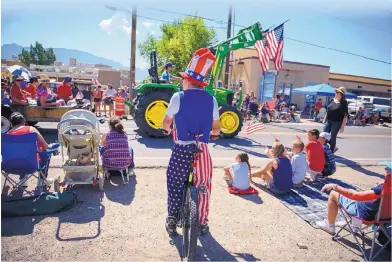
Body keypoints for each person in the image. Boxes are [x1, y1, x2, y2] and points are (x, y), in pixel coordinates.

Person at [162, 48, 220, 236]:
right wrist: (215, 134)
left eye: (184, 79)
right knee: (203, 187)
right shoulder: (212, 100)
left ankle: (172, 220)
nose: (182, 81)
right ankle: (202, 223)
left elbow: (167, 121)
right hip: (201, 149)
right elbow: (216, 127)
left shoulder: (178, 97)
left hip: (181, 150)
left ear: (189, 81)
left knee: (175, 183)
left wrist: (166, 129)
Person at [315, 162, 391, 234]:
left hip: (364, 214)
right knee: (352, 191)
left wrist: (334, 186)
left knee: (333, 193)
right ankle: (353, 226)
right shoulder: (387, 188)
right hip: (382, 217)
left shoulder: (380, 190)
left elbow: (355, 196)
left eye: (388, 168)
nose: (385, 168)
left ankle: (330, 225)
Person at [6, 112, 54, 184]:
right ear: (23, 122)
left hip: (10, 165)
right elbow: (45, 146)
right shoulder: (31, 129)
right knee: (47, 154)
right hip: (31, 164)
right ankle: (41, 180)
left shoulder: (7, 135)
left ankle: (22, 180)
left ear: (11, 123)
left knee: (19, 154)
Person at [323, 86, 349, 153]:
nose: (336, 93)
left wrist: (342, 127)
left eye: (338, 92)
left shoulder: (344, 103)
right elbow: (328, 110)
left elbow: (345, 115)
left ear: (341, 94)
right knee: (324, 134)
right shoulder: (332, 100)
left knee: (333, 136)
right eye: (336, 92)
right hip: (329, 120)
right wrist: (325, 118)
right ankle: (325, 147)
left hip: (337, 122)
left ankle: (331, 150)